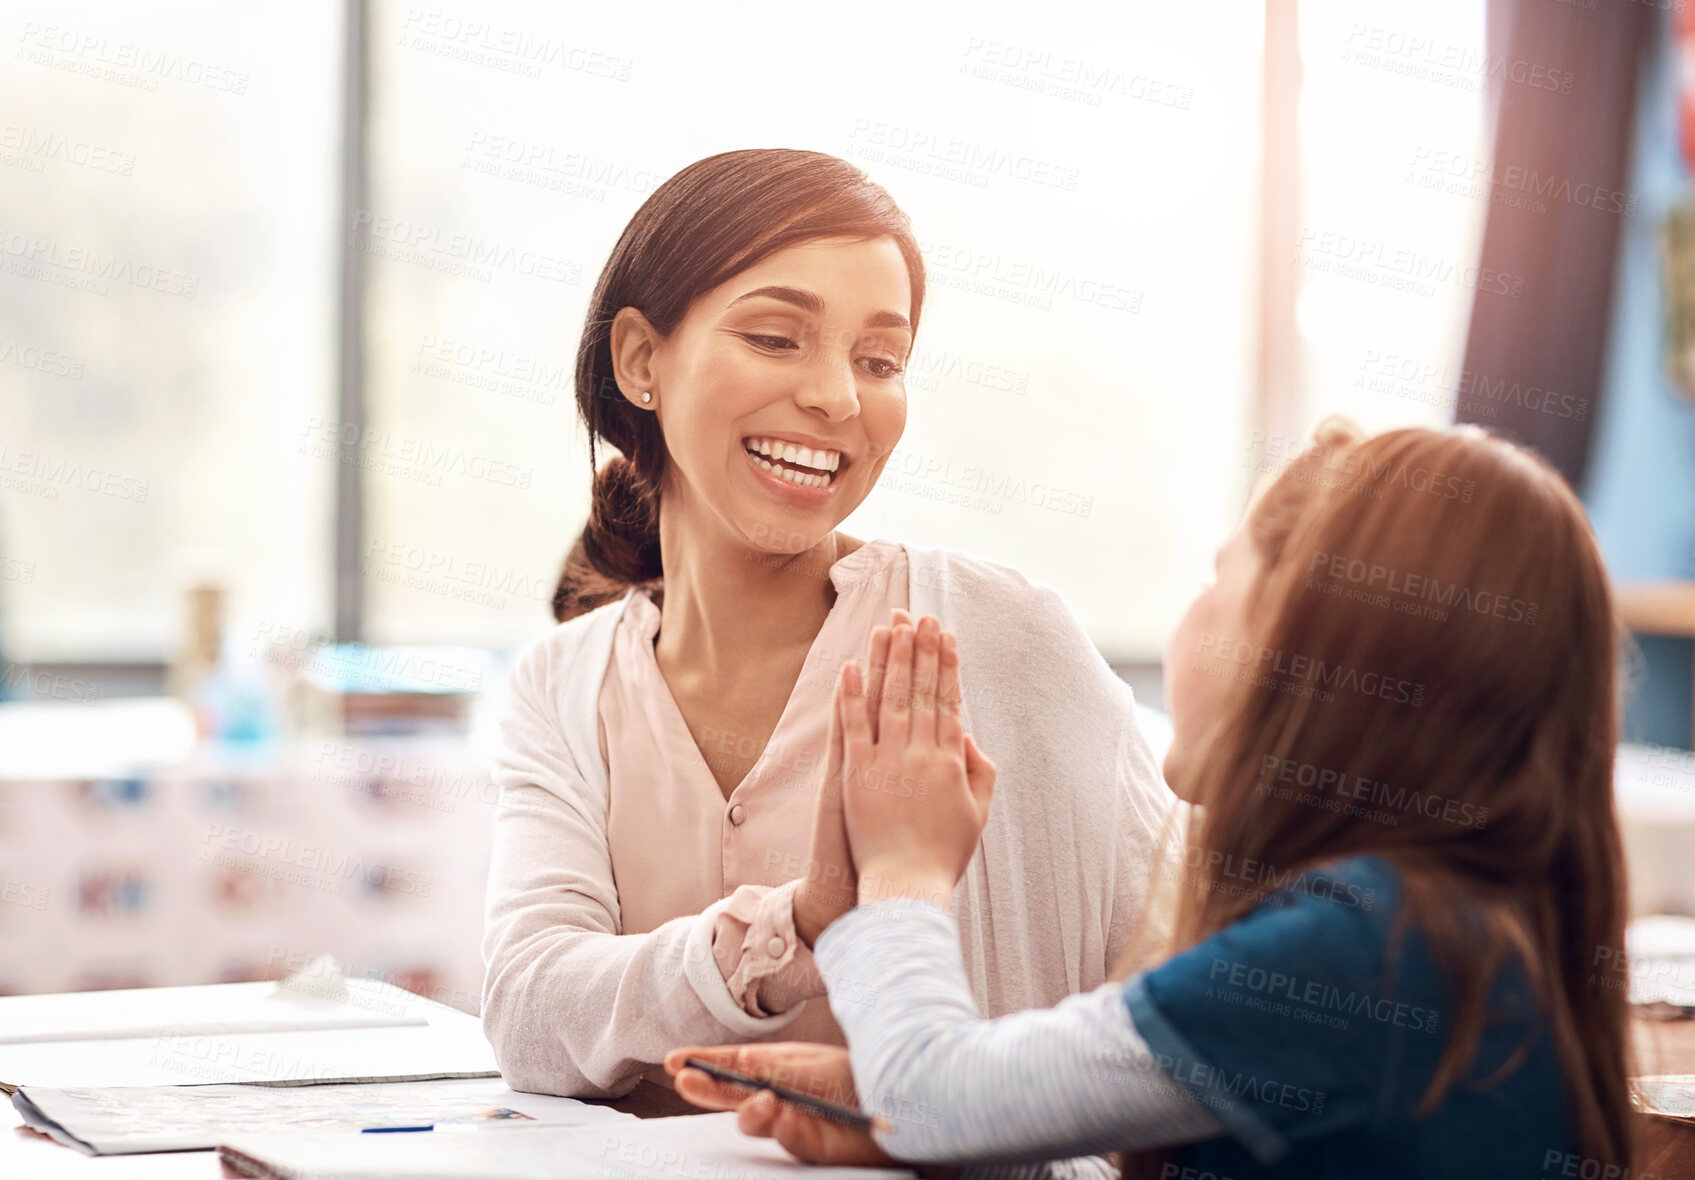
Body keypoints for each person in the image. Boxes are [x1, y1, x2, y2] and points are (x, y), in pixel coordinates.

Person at [668, 419, 1637, 1179]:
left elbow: (930, 1089)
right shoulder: (1442, 933)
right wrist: (940, 1124)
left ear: (1315, 644)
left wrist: (905, 867)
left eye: (1221, 578)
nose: (1190, 620)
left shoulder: (1361, 951)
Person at [480, 148, 1176, 1107]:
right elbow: (528, 1012)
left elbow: (1162, 1003)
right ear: (642, 359)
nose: (839, 398)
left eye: (879, 360)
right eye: (775, 337)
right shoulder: (561, 683)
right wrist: (795, 930)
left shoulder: (1002, 637)